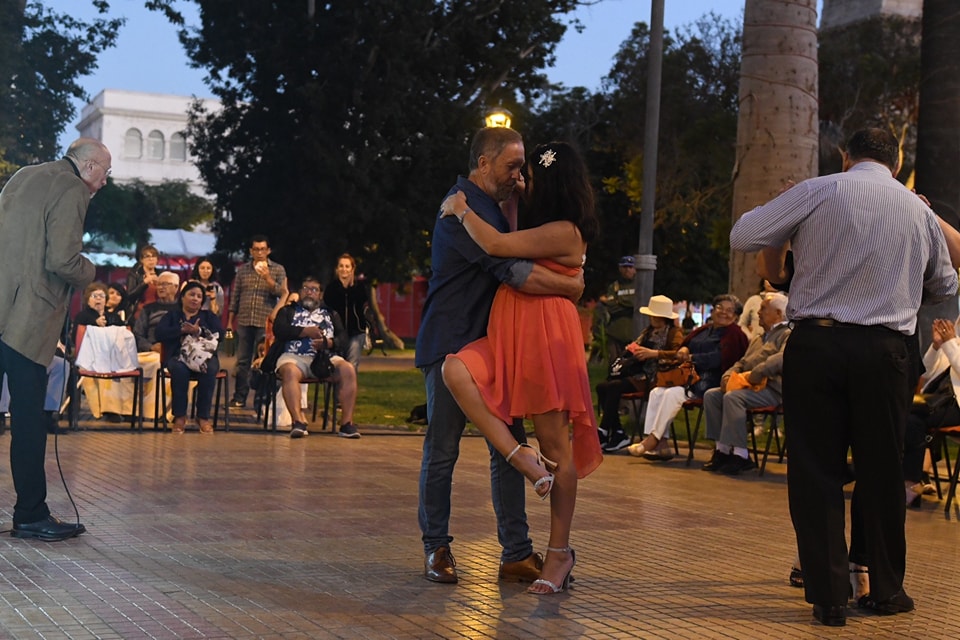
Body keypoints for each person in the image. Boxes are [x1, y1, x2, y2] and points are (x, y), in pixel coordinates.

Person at [730, 127, 957, 626]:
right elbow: (944, 285)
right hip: (886, 351)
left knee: (815, 469)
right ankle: (885, 591)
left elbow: (744, 235)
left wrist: (789, 217)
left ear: (845, 156)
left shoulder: (818, 189)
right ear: (895, 162)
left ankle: (828, 595)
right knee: (881, 470)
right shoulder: (918, 210)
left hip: (818, 344)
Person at [415, 127, 584, 587]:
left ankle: (515, 553)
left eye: (524, 167)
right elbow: (509, 269)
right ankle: (437, 548)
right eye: (512, 166)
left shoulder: (493, 206)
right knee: (443, 449)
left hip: (493, 346)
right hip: (452, 342)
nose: (519, 175)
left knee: (506, 450)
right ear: (484, 163)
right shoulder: (459, 208)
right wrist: (570, 286)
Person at [0, 136, 106, 541]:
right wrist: (89, 271)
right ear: (90, 168)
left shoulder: (23, 176)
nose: (104, 184)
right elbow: (62, 259)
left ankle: (30, 511)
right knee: (29, 421)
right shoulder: (72, 187)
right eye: (105, 174)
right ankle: (30, 513)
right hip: (28, 319)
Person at [623, 294, 748, 457]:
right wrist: (684, 350)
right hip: (687, 377)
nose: (724, 313)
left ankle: (652, 440)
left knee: (672, 393)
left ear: (736, 316)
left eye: (730, 310)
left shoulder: (734, 334)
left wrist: (692, 358)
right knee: (657, 392)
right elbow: (686, 344)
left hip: (710, 380)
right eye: (719, 308)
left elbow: (719, 359)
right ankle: (661, 445)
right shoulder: (704, 329)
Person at [701, 292, 790, 475]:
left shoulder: (788, 334)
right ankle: (722, 450)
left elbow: (783, 359)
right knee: (712, 395)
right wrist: (728, 375)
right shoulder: (759, 338)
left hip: (772, 388)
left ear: (779, 314)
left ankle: (741, 455)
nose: (758, 313)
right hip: (748, 385)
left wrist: (758, 372)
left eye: (764, 309)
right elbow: (741, 362)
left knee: (734, 398)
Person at [260, 277, 359, 439]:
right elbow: (279, 330)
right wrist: (304, 332)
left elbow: (344, 338)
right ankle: (298, 422)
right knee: (290, 371)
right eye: (305, 288)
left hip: (326, 357)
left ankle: (347, 424)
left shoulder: (331, 313)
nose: (309, 292)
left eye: (314, 289)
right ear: (299, 292)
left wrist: (328, 343)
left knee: (348, 369)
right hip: (294, 356)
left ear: (320, 295)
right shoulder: (288, 311)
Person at [597, 295, 684, 452]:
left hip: (655, 377)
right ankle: (617, 431)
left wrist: (654, 353)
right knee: (602, 387)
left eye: (656, 315)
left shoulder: (673, 332)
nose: (653, 318)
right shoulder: (647, 332)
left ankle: (604, 430)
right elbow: (632, 348)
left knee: (614, 387)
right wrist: (632, 350)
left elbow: (678, 354)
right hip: (637, 373)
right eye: (652, 315)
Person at [155, 281, 224, 434]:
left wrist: (199, 330)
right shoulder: (172, 316)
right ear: (182, 297)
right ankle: (179, 417)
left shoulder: (209, 316)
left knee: (209, 368)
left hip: (204, 356)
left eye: (199, 296)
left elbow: (221, 335)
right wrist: (181, 330)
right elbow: (159, 334)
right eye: (192, 295)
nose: (195, 299)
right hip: (178, 355)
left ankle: (203, 417)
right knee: (179, 369)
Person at [227, 235, 287, 408]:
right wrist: (230, 321)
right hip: (245, 320)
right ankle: (239, 397)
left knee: (264, 360)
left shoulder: (277, 269)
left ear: (268, 250)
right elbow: (235, 296)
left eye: (263, 249)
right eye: (256, 249)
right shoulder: (243, 270)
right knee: (243, 360)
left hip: (265, 321)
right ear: (251, 251)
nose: (259, 253)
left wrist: (268, 277)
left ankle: (263, 398)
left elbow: (281, 293)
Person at [74, 281, 128, 423]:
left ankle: (128, 411)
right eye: (94, 296)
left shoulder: (114, 317)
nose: (98, 299)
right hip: (89, 357)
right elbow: (77, 339)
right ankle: (109, 410)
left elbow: (125, 334)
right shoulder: (82, 317)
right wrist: (94, 326)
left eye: (101, 296)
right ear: (88, 299)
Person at [323, 252, 369, 371]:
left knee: (351, 367)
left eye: (347, 266)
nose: (344, 269)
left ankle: (349, 389)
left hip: (356, 332)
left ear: (352, 269)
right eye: (341, 266)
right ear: (337, 269)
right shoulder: (331, 288)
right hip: (336, 333)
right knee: (337, 367)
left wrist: (351, 286)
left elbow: (362, 304)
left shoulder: (359, 287)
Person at [596, 255, 637, 360]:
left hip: (634, 334)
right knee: (614, 366)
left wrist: (620, 301)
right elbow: (611, 307)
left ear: (635, 269)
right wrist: (629, 305)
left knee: (632, 365)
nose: (627, 270)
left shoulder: (639, 285)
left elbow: (638, 304)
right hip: (615, 333)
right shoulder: (614, 286)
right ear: (620, 268)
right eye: (624, 267)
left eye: (630, 267)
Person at [126, 244, 160, 317]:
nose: (151, 259)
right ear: (142, 260)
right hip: (140, 312)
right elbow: (130, 296)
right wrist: (144, 283)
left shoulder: (161, 275)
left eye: (153, 256)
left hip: (157, 312)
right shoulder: (134, 275)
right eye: (147, 256)